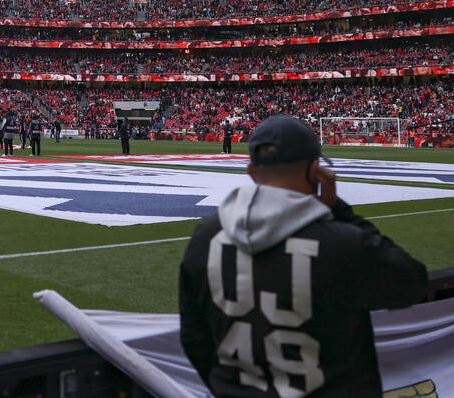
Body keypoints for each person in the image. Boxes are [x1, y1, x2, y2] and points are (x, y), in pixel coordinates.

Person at [178, 115, 427, 398]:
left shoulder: (205, 237)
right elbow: (411, 284)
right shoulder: (343, 242)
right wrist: (339, 210)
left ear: (251, 172)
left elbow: (194, 339)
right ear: (315, 170)